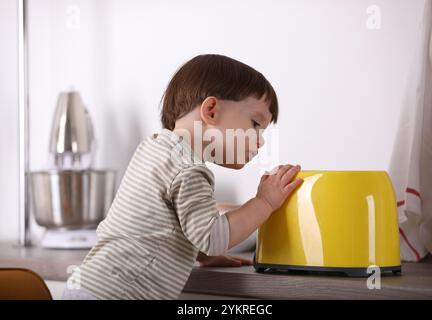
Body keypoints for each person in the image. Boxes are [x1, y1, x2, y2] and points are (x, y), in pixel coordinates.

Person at [62, 54, 302, 300]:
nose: (261, 141)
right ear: (211, 111)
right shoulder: (189, 170)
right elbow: (213, 237)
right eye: (255, 124)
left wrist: (195, 252)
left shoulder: (155, 148)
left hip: (90, 286)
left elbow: (154, 224)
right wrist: (264, 202)